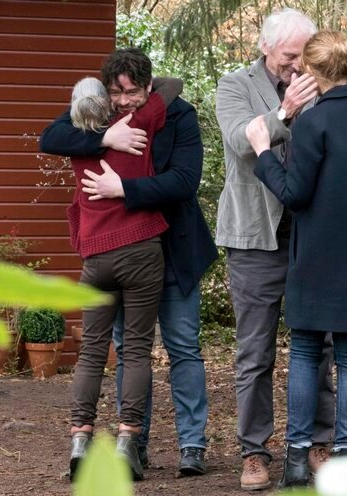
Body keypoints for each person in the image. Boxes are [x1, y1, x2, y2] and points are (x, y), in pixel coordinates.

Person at [39, 50, 217, 479]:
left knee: (183, 349)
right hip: (132, 252)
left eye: (132, 92)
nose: (123, 102)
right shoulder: (97, 119)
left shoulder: (178, 117)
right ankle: (132, 443)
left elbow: (184, 180)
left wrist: (124, 188)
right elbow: (51, 137)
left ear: (148, 87)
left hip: (171, 247)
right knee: (129, 350)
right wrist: (106, 139)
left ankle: (191, 445)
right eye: (115, 92)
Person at [245, 30, 347, 487]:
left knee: (304, 351)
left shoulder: (313, 123)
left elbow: (295, 194)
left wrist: (262, 152)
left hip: (316, 254)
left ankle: (297, 460)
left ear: (313, 73)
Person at [214, 7, 335, 491]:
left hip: (311, 233)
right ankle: (254, 452)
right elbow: (241, 142)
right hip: (254, 237)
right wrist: (286, 112)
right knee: (255, 351)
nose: (297, 65)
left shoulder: (319, 80)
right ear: (266, 47)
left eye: (304, 55)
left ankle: (319, 444)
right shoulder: (234, 86)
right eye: (290, 56)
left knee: (321, 344)